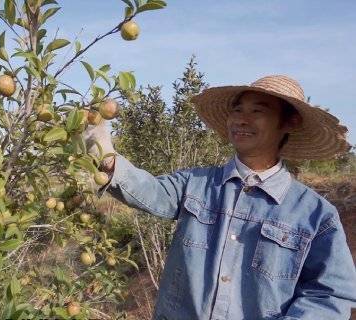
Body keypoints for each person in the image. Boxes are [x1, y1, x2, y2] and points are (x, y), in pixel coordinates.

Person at [83, 75, 356, 319]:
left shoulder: (315, 214)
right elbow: (151, 192)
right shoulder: (197, 183)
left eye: (257, 111)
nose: (241, 119)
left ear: (289, 122)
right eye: (237, 110)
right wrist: (104, 151)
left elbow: (330, 295)